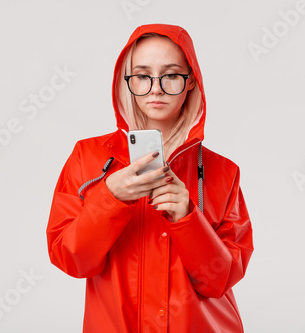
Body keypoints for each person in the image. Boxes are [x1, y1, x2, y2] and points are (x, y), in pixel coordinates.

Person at [46, 23, 254, 332]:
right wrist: (109, 199)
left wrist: (187, 218)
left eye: (170, 75)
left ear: (191, 82)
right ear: (125, 81)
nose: (155, 87)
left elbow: (218, 280)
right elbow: (72, 261)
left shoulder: (223, 172)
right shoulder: (87, 157)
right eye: (142, 75)